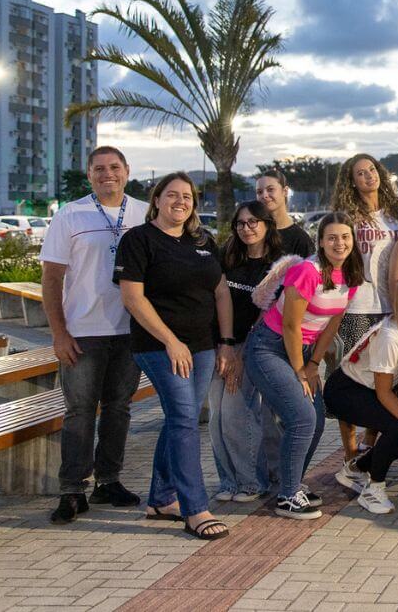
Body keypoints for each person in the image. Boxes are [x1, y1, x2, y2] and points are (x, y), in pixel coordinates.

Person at [115, 172, 237, 540]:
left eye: (187, 197)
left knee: (178, 420)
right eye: (172, 195)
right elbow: (133, 298)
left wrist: (226, 342)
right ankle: (194, 508)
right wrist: (170, 341)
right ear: (156, 200)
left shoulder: (202, 241)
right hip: (158, 346)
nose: (180, 202)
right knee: (184, 420)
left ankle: (160, 499)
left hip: (202, 346)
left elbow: (220, 293)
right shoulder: (138, 240)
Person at [41, 146, 149, 524]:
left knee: (119, 409)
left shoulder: (143, 212)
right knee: (79, 412)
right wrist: (59, 334)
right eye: (99, 169)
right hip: (83, 333)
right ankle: (72, 489)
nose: (108, 174)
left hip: (130, 332)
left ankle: (108, 480)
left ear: (126, 171)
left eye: (114, 167)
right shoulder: (70, 215)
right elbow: (51, 278)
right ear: (89, 175)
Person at [243, 213, 363, 520]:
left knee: (317, 420)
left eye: (345, 237)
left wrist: (313, 364)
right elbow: (291, 325)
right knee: (302, 419)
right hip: (270, 347)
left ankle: (291, 484)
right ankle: (287, 496)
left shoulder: (348, 275)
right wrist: (300, 372)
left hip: (304, 351)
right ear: (321, 241)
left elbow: (333, 321)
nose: (340, 243)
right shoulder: (307, 271)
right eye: (332, 238)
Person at [323, 273, 398, 514]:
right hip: (345, 390)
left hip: (365, 388)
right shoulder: (391, 336)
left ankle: (355, 469)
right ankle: (373, 490)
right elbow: (384, 393)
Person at [331, 154, 398, 463]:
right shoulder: (347, 215)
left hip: (391, 306)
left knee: (388, 378)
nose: (368, 176)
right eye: (360, 173)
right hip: (357, 307)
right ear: (352, 181)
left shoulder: (395, 215)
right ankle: (350, 454)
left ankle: (369, 441)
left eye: (372, 170)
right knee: (352, 380)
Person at [207, 201, 282, 503]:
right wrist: (221, 347)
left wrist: (240, 355)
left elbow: (270, 316)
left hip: (254, 348)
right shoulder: (227, 258)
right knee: (216, 418)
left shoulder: (277, 267)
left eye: (253, 222)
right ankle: (229, 480)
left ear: (266, 225)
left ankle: (252, 482)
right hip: (221, 345)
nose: (247, 228)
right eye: (241, 223)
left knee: (236, 413)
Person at [255, 170, 315, 258]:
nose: (264, 195)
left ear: (285, 191)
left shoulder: (300, 239)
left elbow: (310, 270)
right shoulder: (251, 232)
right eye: (259, 192)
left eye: (270, 189)